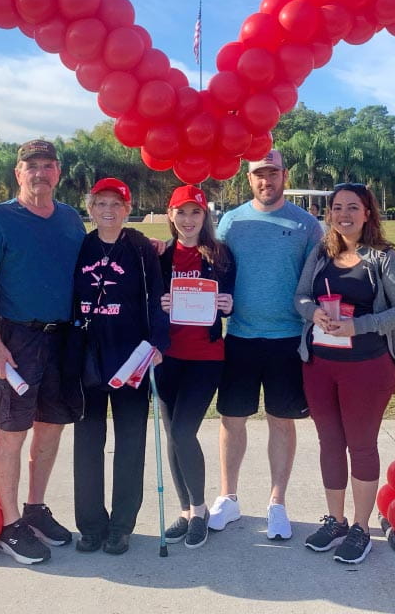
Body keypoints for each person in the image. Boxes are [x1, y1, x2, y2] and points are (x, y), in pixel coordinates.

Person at [0, 139, 86, 565]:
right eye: (31, 165)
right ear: (18, 173)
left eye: (48, 165)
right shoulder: (0, 218)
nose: (40, 172)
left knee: (52, 427)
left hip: (62, 339)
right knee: (12, 432)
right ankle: (9, 523)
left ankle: (36, 508)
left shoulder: (71, 219)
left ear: (58, 172)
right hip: (16, 338)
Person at [294, 183, 395, 564]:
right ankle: (336, 521)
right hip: (319, 365)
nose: (343, 214)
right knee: (330, 442)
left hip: (366, 368)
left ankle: (362, 529)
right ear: (328, 214)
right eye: (337, 208)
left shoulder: (382, 257)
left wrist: (358, 326)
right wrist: (310, 311)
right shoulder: (320, 252)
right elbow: (300, 296)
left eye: (353, 207)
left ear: (368, 213)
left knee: (360, 445)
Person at [209, 150, 323, 540]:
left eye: (272, 173)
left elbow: (316, 282)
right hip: (240, 336)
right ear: (249, 178)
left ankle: (277, 503)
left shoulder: (307, 225)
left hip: (288, 339)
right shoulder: (231, 221)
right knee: (232, 419)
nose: (266, 181)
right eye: (259, 174)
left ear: (284, 176)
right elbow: (213, 267)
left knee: (281, 420)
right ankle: (228, 497)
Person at [72, 177, 170, 556]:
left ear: (128, 209)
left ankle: (122, 525)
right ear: (91, 208)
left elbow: (156, 296)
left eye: (116, 204)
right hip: (87, 359)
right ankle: (91, 524)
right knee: (88, 442)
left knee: (131, 442)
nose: (108, 211)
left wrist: (158, 344)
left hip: (130, 358)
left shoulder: (141, 247)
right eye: (100, 204)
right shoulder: (80, 245)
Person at [157, 185, 236, 550]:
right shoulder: (160, 256)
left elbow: (234, 298)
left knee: (184, 432)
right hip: (166, 357)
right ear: (171, 215)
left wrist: (227, 303)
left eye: (196, 213)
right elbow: (145, 302)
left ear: (205, 217)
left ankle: (201, 509)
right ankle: (186, 510)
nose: (188, 220)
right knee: (172, 434)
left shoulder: (220, 255)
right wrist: (158, 303)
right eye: (181, 212)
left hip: (205, 358)